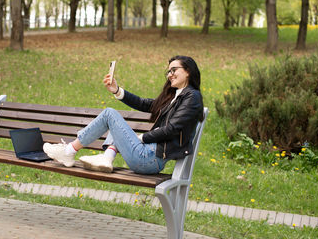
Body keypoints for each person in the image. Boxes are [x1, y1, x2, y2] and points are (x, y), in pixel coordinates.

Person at [43, 55, 204, 174]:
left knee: (109, 114)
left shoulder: (192, 97)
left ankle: (69, 152)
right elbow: (145, 104)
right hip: (147, 154)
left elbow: (172, 129)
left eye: (174, 70)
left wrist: (142, 137)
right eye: (168, 71)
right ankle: (107, 158)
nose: (169, 74)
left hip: (150, 158)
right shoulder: (176, 95)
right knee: (115, 121)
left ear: (188, 71)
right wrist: (117, 90)